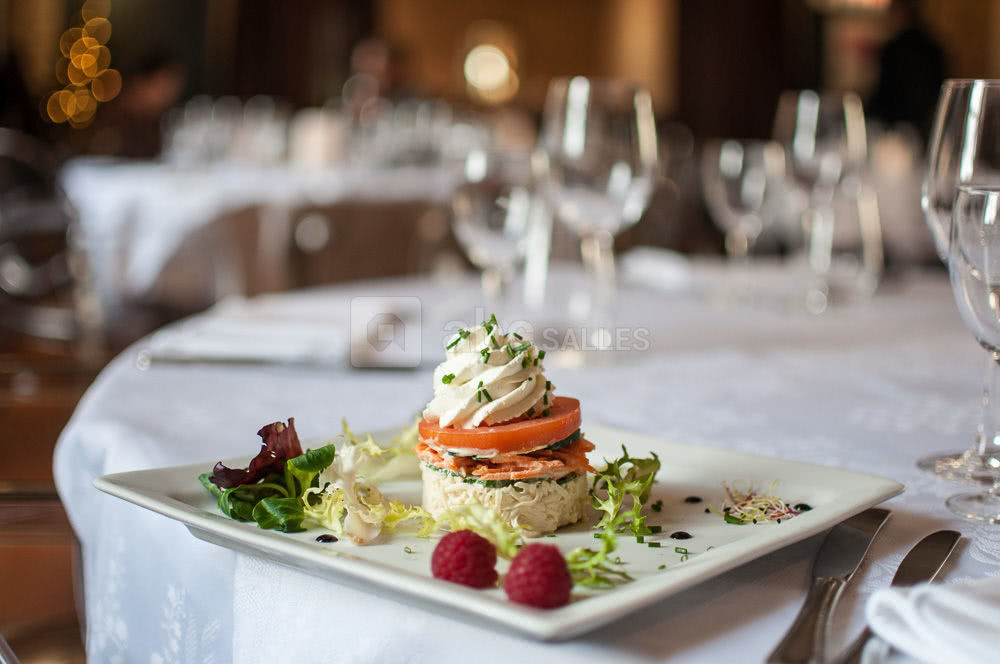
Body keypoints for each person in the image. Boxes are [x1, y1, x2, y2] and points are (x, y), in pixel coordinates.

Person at [867, 0, 946, 142]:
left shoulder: (892, 49)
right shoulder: (934, 48)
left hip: (897, 129)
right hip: (928, 129)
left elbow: (883, 93)